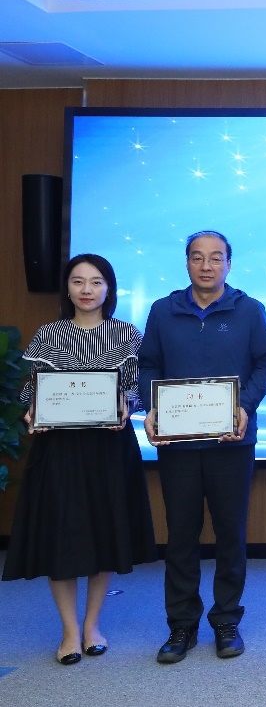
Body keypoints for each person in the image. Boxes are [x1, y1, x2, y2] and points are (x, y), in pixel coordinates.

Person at [3, 254, 157, 665]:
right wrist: (32, 409)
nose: (87, 290)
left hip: (109, 448)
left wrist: (128, 403)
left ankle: (92, 625)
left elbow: (139, 389)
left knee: (104, 531)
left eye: (96, 282)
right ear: (67, 289)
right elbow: (30, 391)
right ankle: (69, 631)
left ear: (109, 288)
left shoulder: (128, 335)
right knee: (62, 535)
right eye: (78, 281)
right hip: (59, 449)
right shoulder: (48, 334)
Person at [138, 230, 266, 664]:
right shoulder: (163, 310)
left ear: (228, 264)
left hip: (231, 442)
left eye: (216, 258)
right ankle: (181, 624)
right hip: (178, 444)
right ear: (186, 262)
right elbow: (149, 364)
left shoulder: (249, 309)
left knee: (230, 533)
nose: (206, 265)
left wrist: (244, 406)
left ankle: (226, 620)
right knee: (181, 534)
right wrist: (152, 406)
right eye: (197, 257)